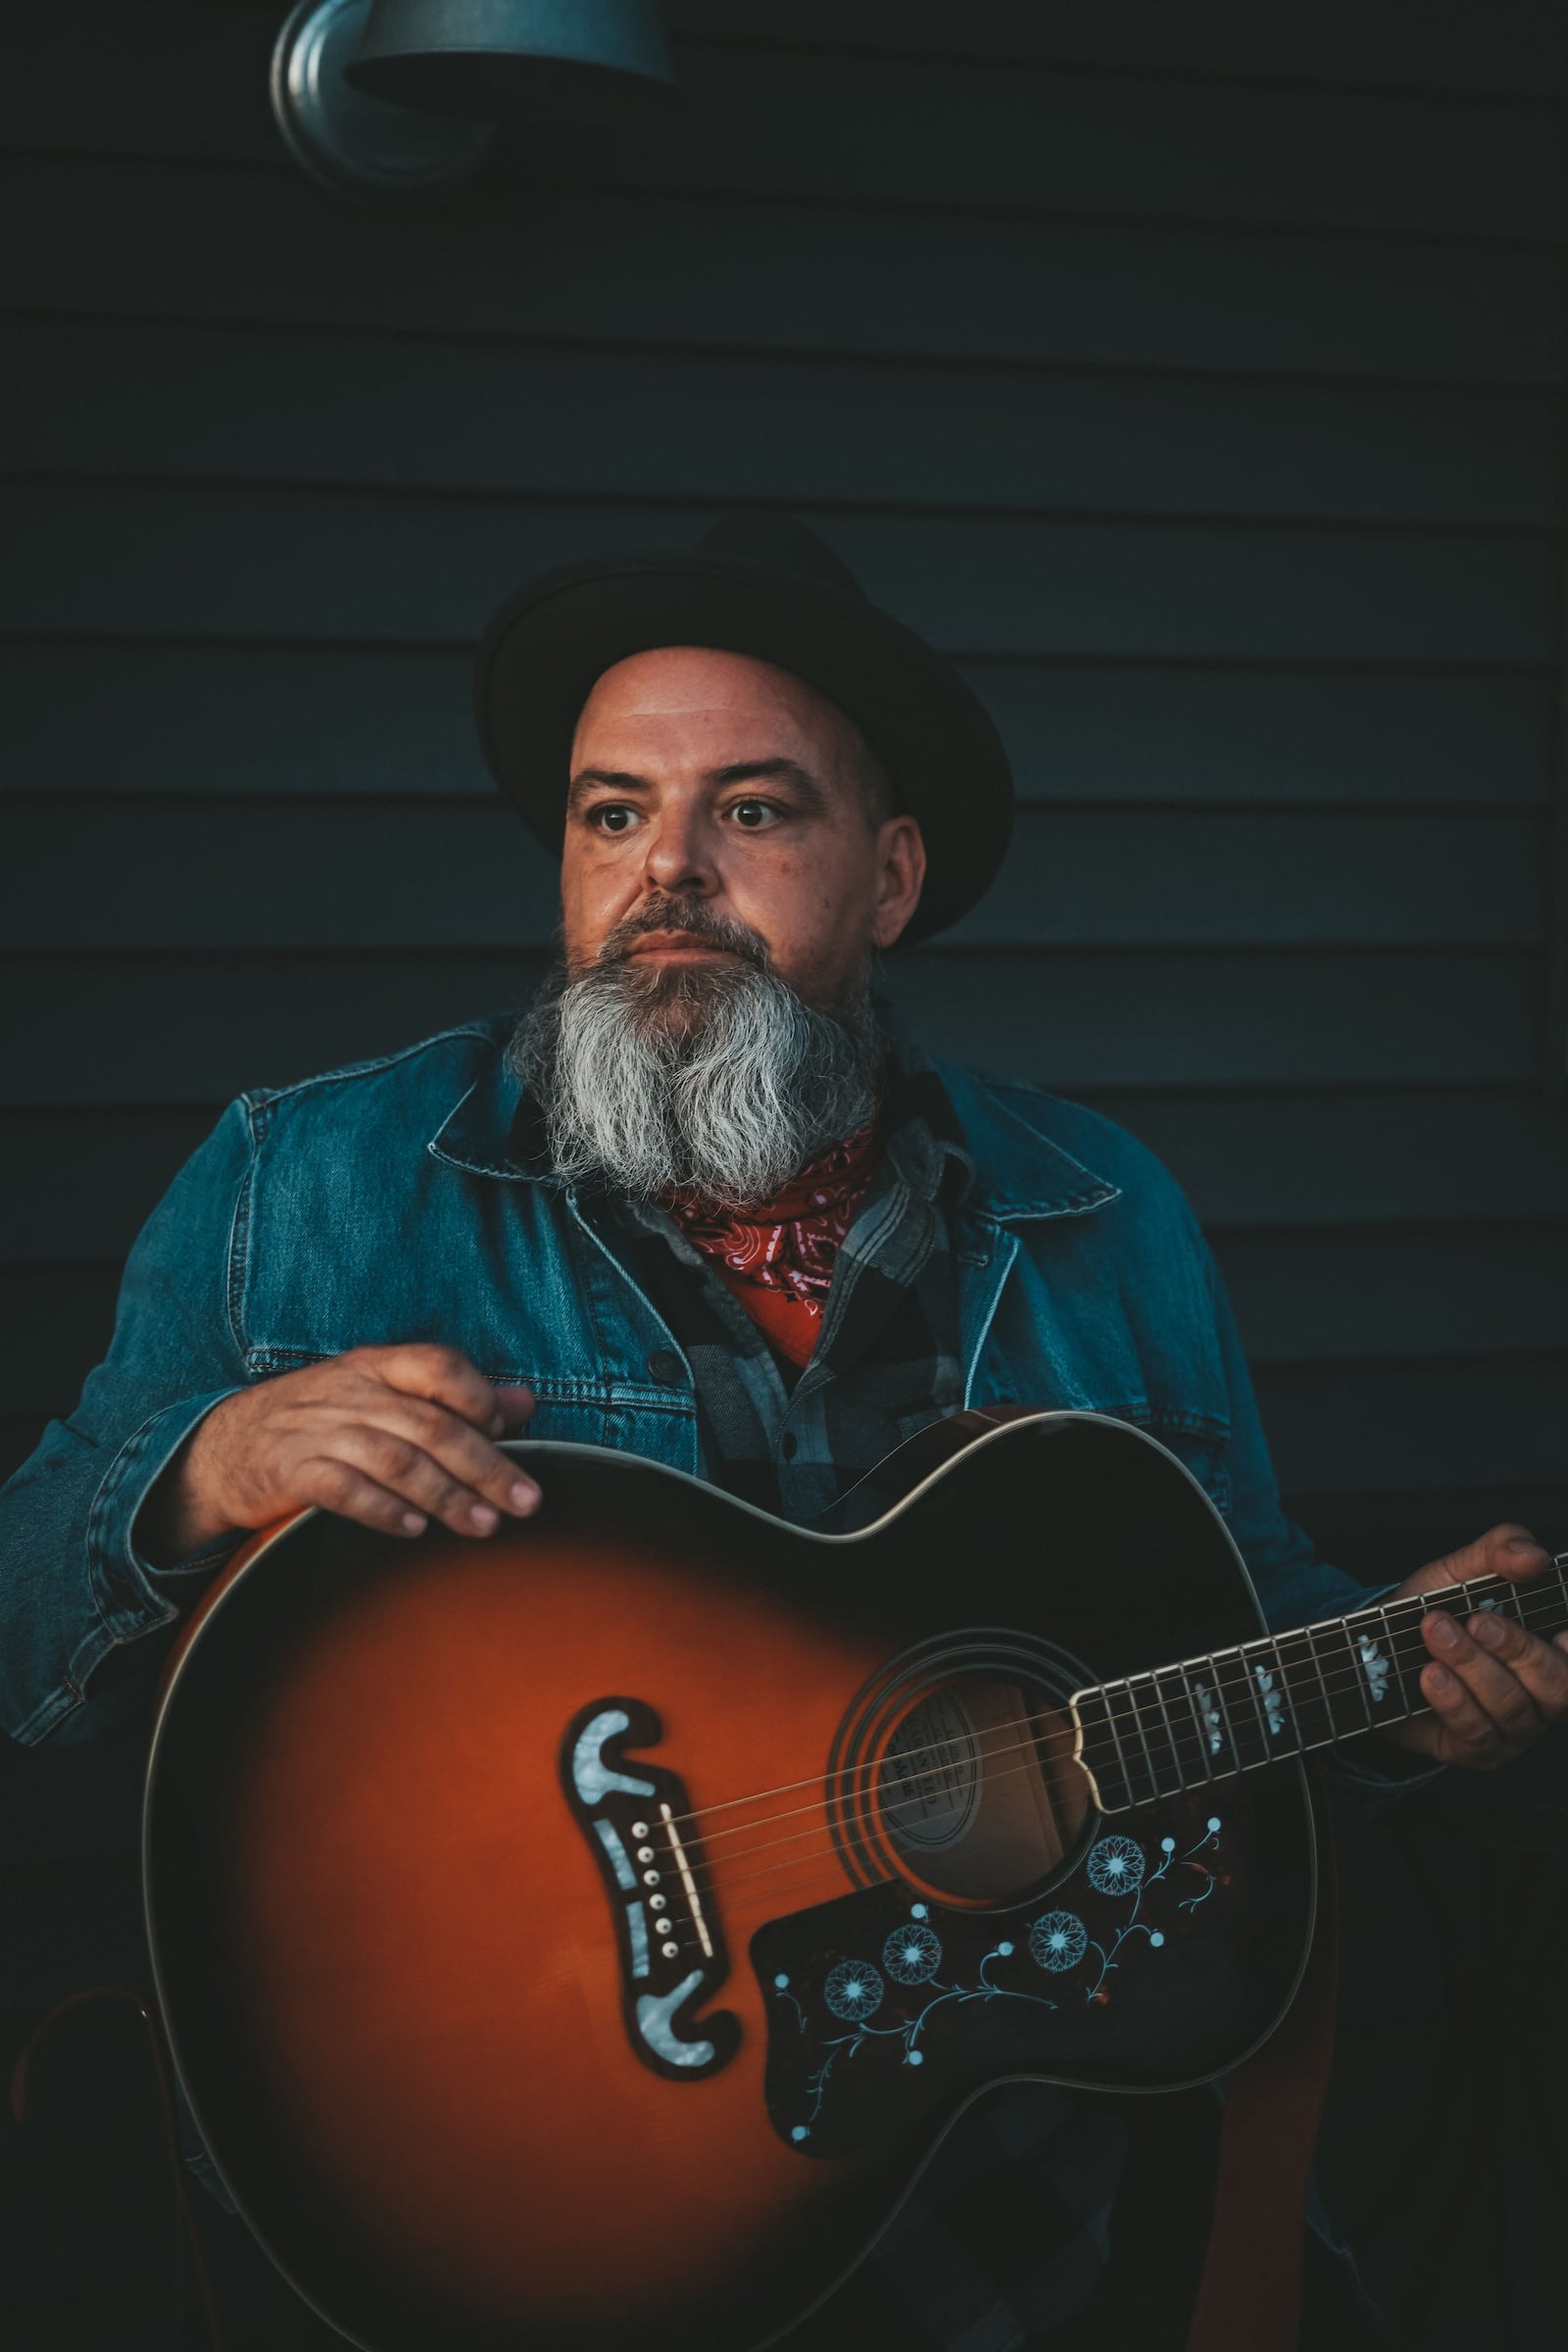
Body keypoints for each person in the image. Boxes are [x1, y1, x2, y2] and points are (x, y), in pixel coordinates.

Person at [4, 514, 1565, 2350]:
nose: (666, 871)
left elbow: (1230, 1613)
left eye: (752, 810)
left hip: (1021, 2235)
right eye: (610, 814)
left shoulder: (1100, 1211)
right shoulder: (309, 1185)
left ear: (888, 878)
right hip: (517, 2209)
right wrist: (197, 1475)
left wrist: (1414, 1681)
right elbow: (27, 1620)